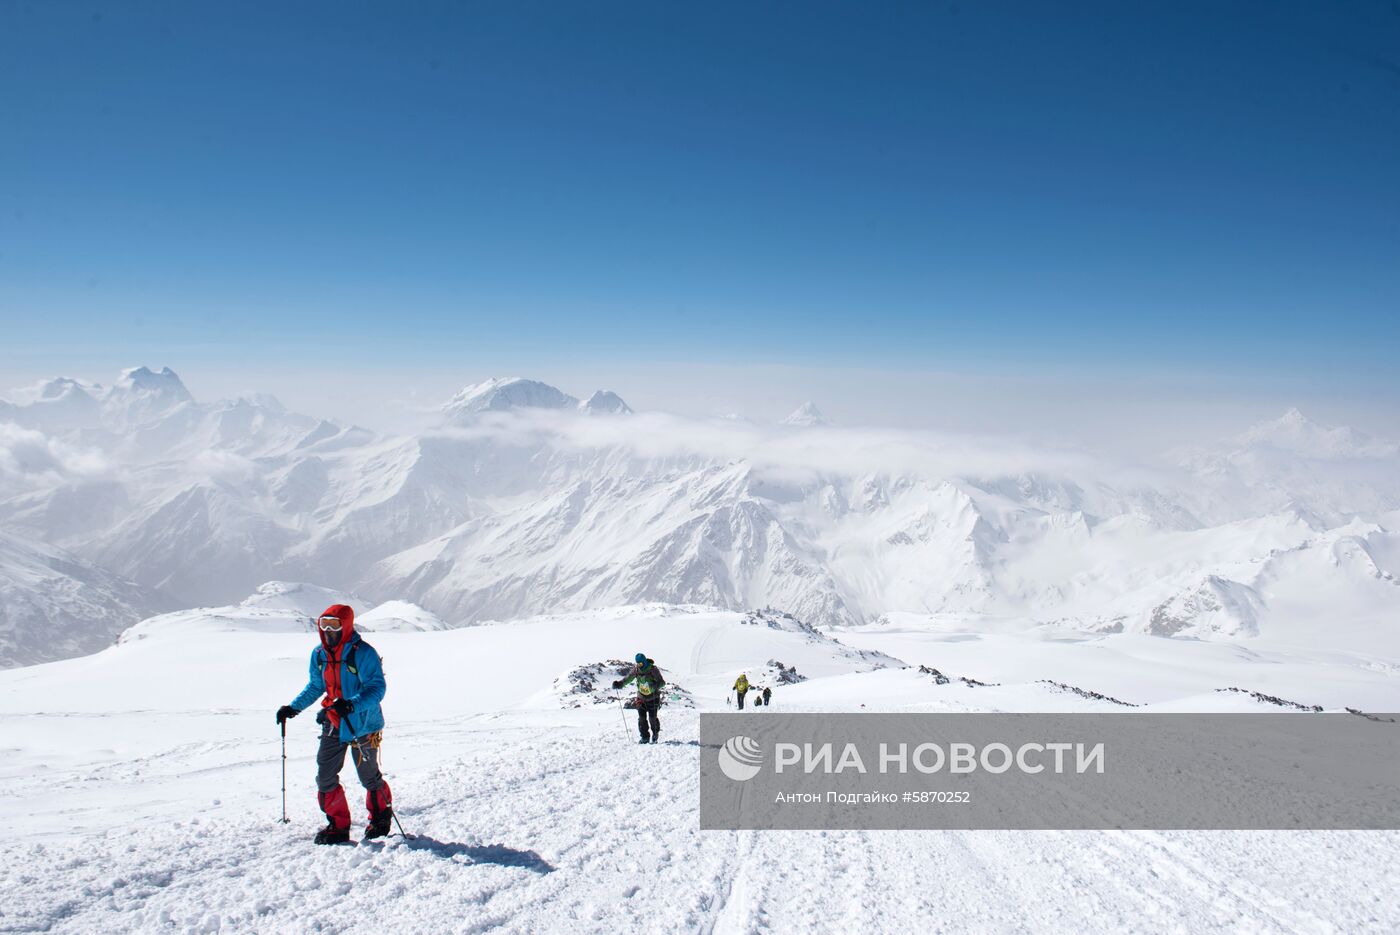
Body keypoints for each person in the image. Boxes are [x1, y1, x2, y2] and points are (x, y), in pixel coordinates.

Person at [275, 604, 392, 844]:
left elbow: (377, 688)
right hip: (333, 722)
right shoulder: (319, 654)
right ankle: (338, 826)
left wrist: (351, 704)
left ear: (346, 625)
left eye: (334, 625)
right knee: (325, 775)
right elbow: (317, 685)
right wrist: (294, 707)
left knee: (368, 777)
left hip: (363, 725)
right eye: (324, 624)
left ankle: (380, 818)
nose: (328, 630)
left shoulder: (363, 653)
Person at [613, 652, 665, 744]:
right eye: (638, 663)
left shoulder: (653, 670)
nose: (639, 665)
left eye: (641, 663)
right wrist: (619, 684)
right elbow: (628, 679)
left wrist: (654, 686)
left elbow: (662, 683)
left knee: (652, 718)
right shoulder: (636, 670)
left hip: (653, 697)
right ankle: (644, 737)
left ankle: (655, 734)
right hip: (641, 697)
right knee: (641, 718)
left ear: (644, 662)